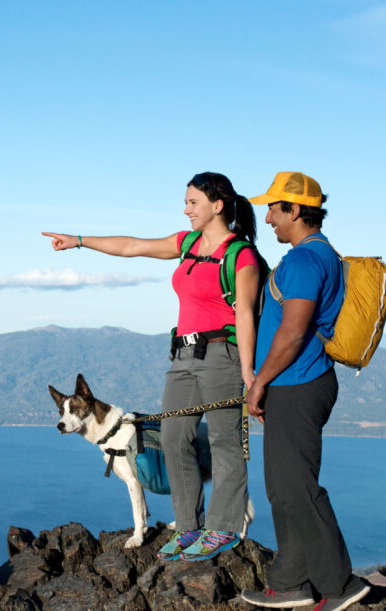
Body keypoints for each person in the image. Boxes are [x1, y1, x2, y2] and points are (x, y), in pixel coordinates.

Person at [42, 171, 263, 563]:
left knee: (225, 441)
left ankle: (223, 528)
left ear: (218, 205)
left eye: (193, 202)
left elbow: (244, 314)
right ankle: (188, 525)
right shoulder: (188, 243)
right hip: (182, 356)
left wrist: (249, 373)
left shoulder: (239, 254)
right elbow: (131, 246)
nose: (186, 209)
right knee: (175, 438)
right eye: (186, 201)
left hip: (222, 355)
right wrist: (79, 241)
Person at [239, 171, 370, 611]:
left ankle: (339, 584)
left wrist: (258, 383)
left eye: (274, 208)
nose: (268, 217)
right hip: (295, 385)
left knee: (297, 488)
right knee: (282, 486)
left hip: (297, 385)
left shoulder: (303, 262)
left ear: (295, 210)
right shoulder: (318, 256)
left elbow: (294, 332)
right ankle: (292, 579)